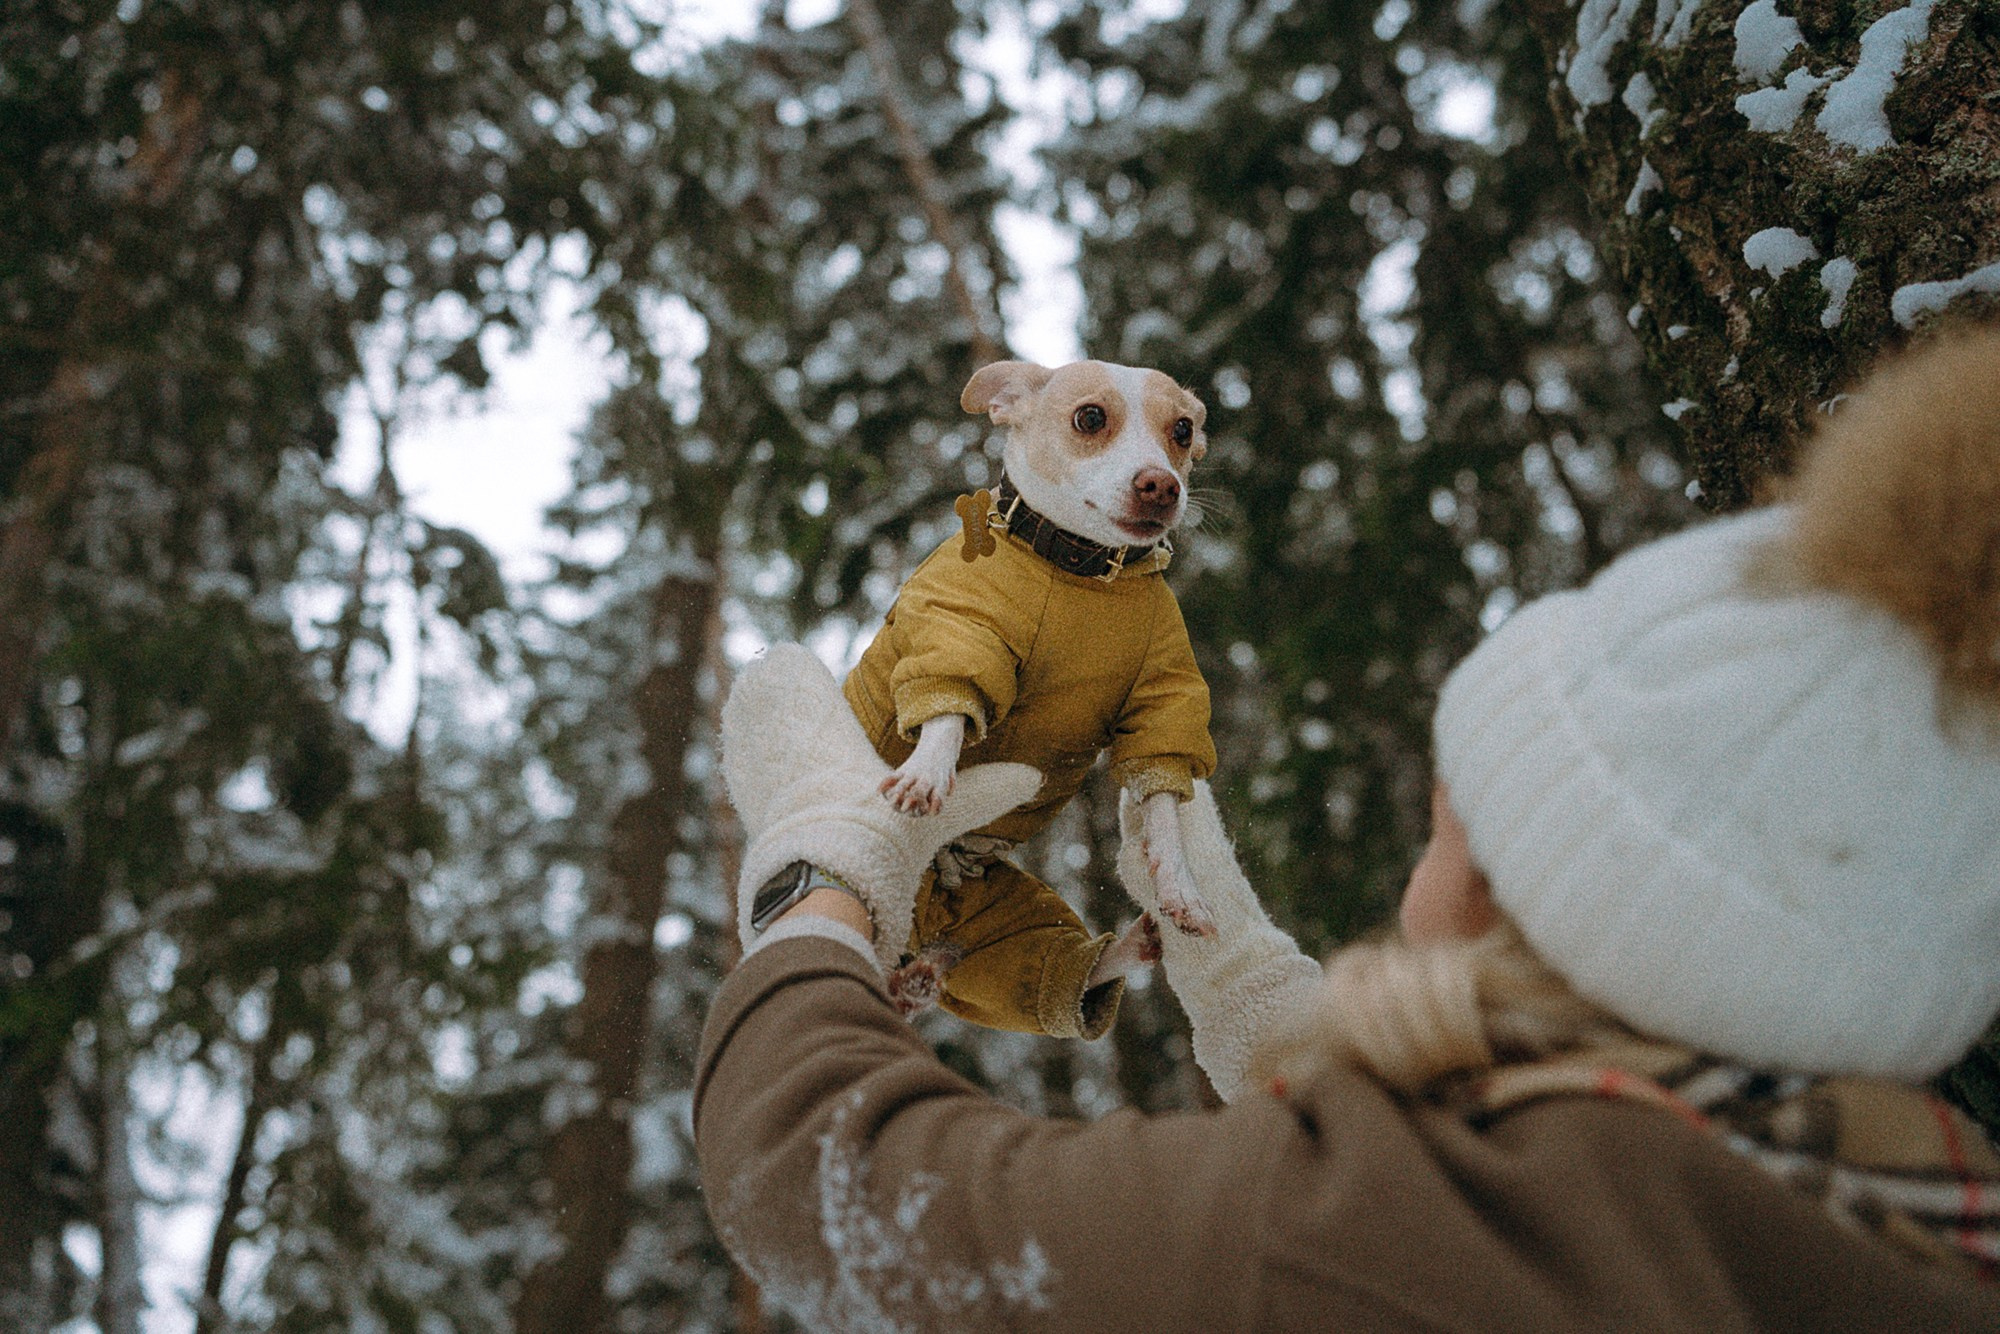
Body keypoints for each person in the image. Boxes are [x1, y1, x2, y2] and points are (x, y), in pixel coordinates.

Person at [694, 329, 2000, 1331]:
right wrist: (1271, 1005)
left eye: (1445, 824)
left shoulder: (1392, 1231)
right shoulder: (1927, 1224)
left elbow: (837, 1187)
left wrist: (820, 867)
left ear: (1506, 888)